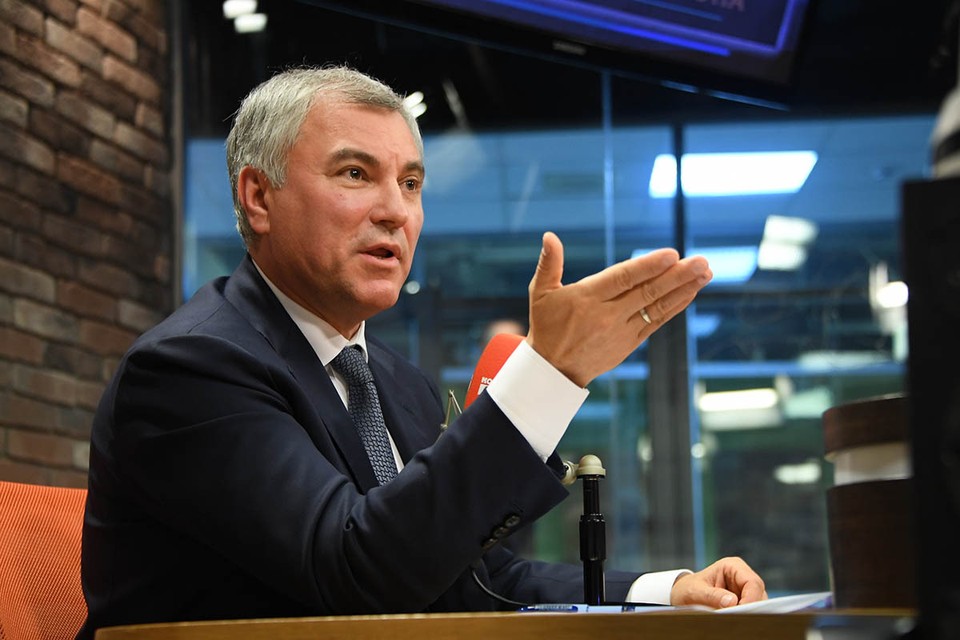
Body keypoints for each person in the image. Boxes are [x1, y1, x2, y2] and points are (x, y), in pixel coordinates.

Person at [77, 64, 765, 637]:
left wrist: (663, 592)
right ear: (258, 197)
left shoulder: (395, 382)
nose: (396, 211)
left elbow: (471, 580)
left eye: (410, 183)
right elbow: (357, 572)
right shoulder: (190, 367)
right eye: (355, 173)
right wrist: (550, 373)